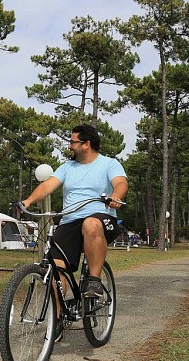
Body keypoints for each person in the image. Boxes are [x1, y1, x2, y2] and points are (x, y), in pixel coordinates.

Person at [20, 124, 128, 341]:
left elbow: (121, 183)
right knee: (55, 268)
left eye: (72, 142)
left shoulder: (108, 163)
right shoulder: (67, 167)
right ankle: (58, 319)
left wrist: (116, 196)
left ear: (86, 144)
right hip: (70, 220)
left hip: (100, 218)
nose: (69, 146)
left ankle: (94, 281)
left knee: (90, 224)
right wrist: (29, 200)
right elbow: (48, 185)